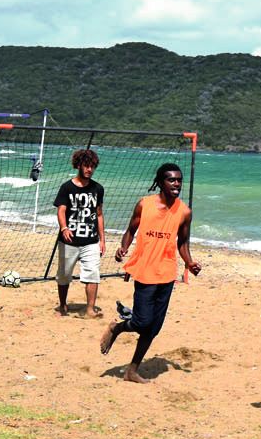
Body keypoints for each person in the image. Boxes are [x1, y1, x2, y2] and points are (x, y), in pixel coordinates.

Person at [98, 163, 200, 384]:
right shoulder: (145, 205)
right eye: (171, 180)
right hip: (145, 271)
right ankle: (117, 327)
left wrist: (190, 262)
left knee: (153, 328)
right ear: (161, 182)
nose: (177, 184)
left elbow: (182, 242)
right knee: (142, 322)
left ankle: (131, 371)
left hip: (167, 273)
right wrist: (123, 248)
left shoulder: (184, 211)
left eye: (179, 180)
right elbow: (130, 230)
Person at [53, 148, 106, 318]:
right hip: (69, 241)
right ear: (79, 165)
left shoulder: (98, 189)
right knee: (64, 275)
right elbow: (61, 211)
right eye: (86, 166)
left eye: (92, 166)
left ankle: (90, 309)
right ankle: (62, 306)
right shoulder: (67, 187)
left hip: (91, 241)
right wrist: (64, 228)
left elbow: (99, 214)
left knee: (92, 273)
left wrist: (102, 241)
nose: (89, 169)